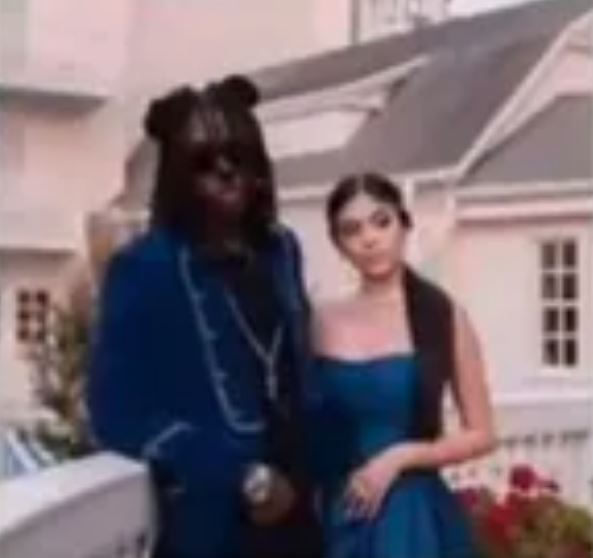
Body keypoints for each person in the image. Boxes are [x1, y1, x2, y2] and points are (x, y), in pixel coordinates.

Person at [86, 76, 322, 558]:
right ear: (177, 176)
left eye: (239, 157)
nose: (226, 172)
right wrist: (242, 476)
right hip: (211, 524)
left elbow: (300, 373)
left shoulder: (281, 251)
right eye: (204, 162)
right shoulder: (144, 266)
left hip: (302, 514)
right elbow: (116, 411)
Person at [312, 172, 496, 557]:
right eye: (352, 230)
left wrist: (400, 458)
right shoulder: (319, 321)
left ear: (404, 225)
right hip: (340, 512)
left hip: (412, 518)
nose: (369, 239)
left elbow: (482, 434)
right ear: (339, 245)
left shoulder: (440, 315)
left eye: (381, 222)